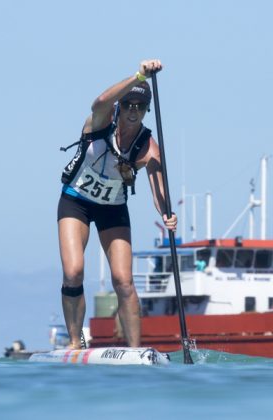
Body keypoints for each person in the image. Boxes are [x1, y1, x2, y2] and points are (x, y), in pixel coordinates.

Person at [57, 59, 177, 349]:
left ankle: (136, 351)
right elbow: (99, 100)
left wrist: (166, 214)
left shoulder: (149, 148)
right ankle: (75, 342)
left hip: (113, 208)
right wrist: (138, 76)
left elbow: (158, 190)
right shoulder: (100, 120)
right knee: (73, 272)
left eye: (140, 106)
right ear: (119, 107)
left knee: (124, 280)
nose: (133, 111)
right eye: (128, 105)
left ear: (147, 110)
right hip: (77, 202)